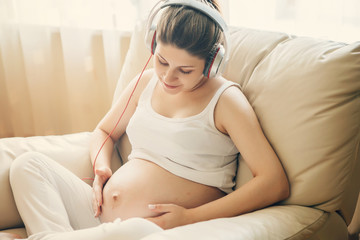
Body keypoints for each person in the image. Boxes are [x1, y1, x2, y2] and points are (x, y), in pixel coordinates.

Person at [1, 0, 289, 239]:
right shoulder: (146, 82)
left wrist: (189, 217)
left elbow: (274, 182)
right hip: (97, 215)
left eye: (185, 70)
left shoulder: (226, 101)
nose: (168, 76)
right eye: (162, 61)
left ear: (212, 63)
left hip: (150, 228)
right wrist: (101, 167)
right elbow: (104, 131)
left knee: (136, 230)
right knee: (27, 165)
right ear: (153, 43)